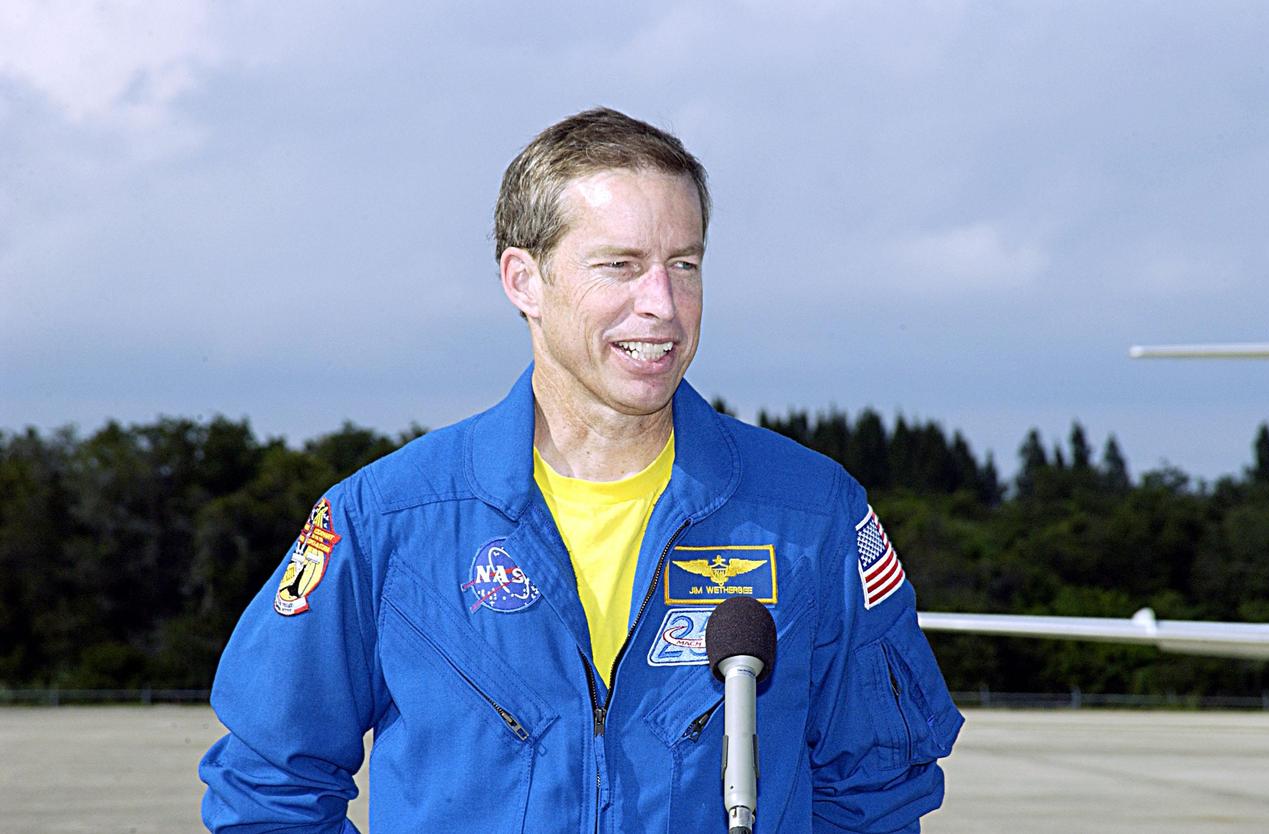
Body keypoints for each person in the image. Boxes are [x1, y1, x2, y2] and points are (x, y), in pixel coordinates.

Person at [200, 107, 962, 833]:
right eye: (620, 266)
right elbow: (269, 786)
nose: (661, 303)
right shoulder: (385, 521)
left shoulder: (813, 516)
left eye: (684, 265)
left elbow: (876, 790)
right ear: (523, 280)